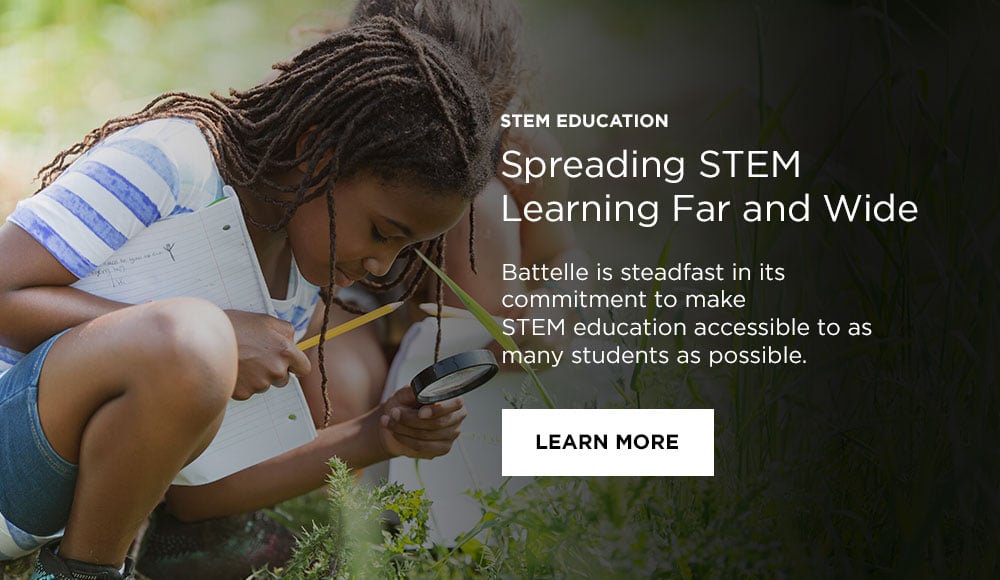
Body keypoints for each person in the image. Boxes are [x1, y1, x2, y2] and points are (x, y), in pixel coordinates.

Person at [0, 17, 495, 580]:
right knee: (193, 338)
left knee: (194, 341)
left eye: (407, 249)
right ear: (316, 150)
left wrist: (378, 432)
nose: (381, 265)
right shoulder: (176, 160)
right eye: (383, 232)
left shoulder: (296, 282)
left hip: (32, 511)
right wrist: (212, 337)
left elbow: (196, 492)